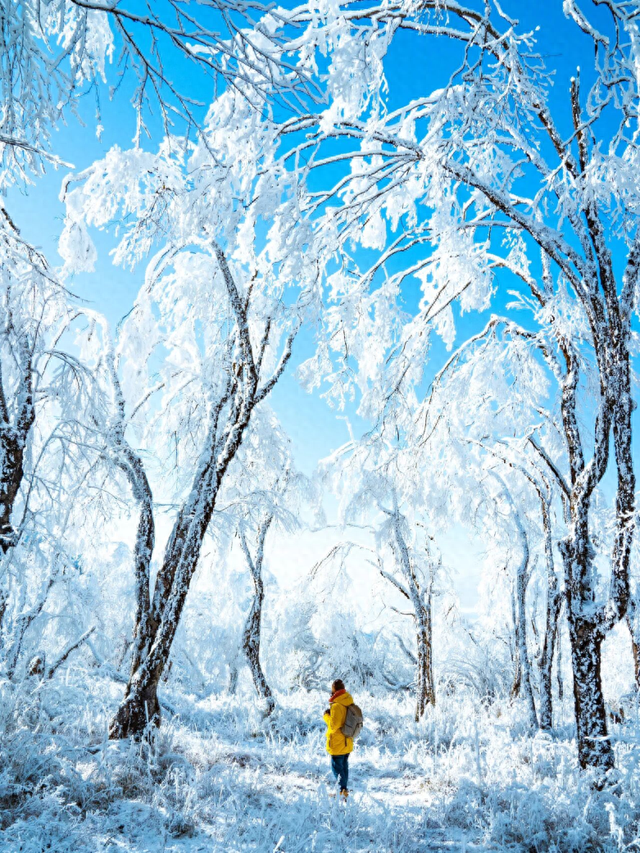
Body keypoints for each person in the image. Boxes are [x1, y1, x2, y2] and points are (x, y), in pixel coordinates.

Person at [323, 678, 354, 799]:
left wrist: (326, 716)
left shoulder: (336, 706)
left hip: (337, 742)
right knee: (344, 766)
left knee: (336, 768)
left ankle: (342, 791)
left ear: (334, 690)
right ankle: (344, 790)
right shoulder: (348, 701)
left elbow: (333, 725)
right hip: (347, 741)